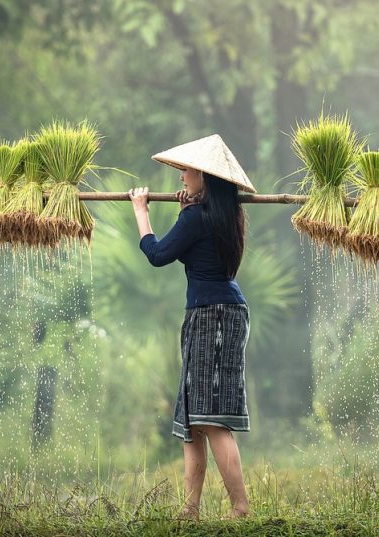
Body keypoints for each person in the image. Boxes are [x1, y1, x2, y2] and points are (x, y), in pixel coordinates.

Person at [127, 134, 257, 520]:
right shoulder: (221, 216)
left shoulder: (197, 218)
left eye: (185, 170)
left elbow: (158, 254)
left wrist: (141, 210)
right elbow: (192, 241)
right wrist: (187, 210)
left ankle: (240, 506)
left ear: (203, 175)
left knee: (209, 417)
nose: (181, 177)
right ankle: (191, 508)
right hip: (215, 312)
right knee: (193, 418)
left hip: (214, 315)